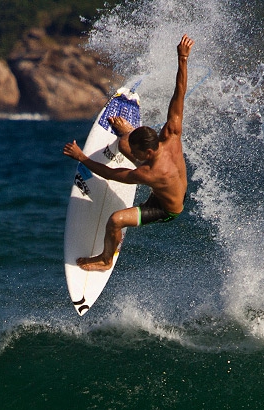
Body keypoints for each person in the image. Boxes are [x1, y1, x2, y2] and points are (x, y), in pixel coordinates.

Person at [63, 34, 195, 271]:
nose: (131, 151)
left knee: (116, 220)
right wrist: (182, 59)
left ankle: (105, 259)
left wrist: (81, 157)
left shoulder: (149, 174)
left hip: (167, 207)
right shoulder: (172, 132)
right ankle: (128, 133)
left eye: (136, 150)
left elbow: (112, 174)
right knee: (123, 145)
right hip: (171, 184)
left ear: (148, 151)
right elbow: (179, 93)